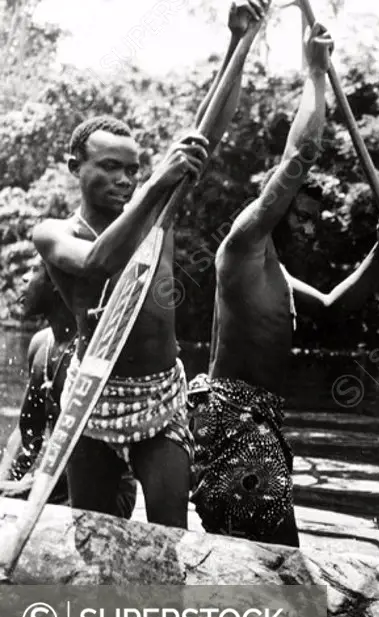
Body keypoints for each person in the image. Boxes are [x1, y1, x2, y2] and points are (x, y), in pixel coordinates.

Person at [31, 1, 267, 526]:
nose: (124, 179)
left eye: (132, 170)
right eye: (110, 167)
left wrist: (240, 41)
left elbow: (209, 130)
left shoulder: (158, 212)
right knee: (92, 535)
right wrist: (158, 181)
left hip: (159, 397)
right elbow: (95, 263)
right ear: (76, 166)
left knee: (169, 536)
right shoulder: (53, 233)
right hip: (93, 395)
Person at [188, 20, 379, 548]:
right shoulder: (242, 247)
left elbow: (335, 307)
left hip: (253, 428)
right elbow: (300, 157)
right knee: (282, 567)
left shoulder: (279, 277)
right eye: (302, 217)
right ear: (278, 213)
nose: (311, 229)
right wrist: (314, 71)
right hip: (234, 425)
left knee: (269, 561)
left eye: (318, 220)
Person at [0, 267, 137, 515]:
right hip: (53, 484)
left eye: (33, 270)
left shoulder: (92, 354)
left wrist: (31, 488)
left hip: (103, 493)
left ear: (56, 281)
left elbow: (90, 453)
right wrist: (5, 483)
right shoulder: (41, 345)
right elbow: (27, 432)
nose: (24, 277)